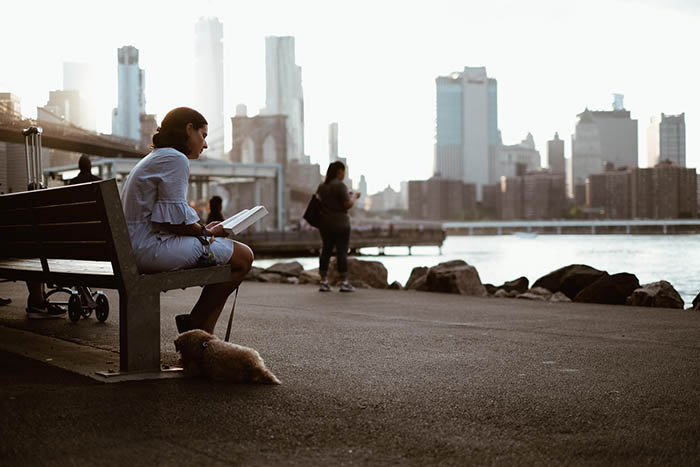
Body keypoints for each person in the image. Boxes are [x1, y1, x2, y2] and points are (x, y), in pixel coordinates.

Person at [120, 107, 254, 333]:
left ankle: (205, 337)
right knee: (243, 256)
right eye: (203, 135)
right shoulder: (175, 158)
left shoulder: (155, 158)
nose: (205, 145)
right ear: (189, 129)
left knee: (229, 259)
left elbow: (165, 220)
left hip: (133, 246)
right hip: (149, 249)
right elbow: (173, 222)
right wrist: (209, 233)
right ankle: (193, 325)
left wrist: (203, 230)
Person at [317, 160, 361, 292]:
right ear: (339, 172)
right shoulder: (340, 186)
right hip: (341, 223)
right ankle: (344, 282)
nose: (344, 175)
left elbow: (318, 202)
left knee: (326, 250)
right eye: (343, 172)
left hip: (325, 223)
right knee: (342, 251)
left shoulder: (322, 187)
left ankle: (324, 281)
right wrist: (354, 197)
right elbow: (347, 204)